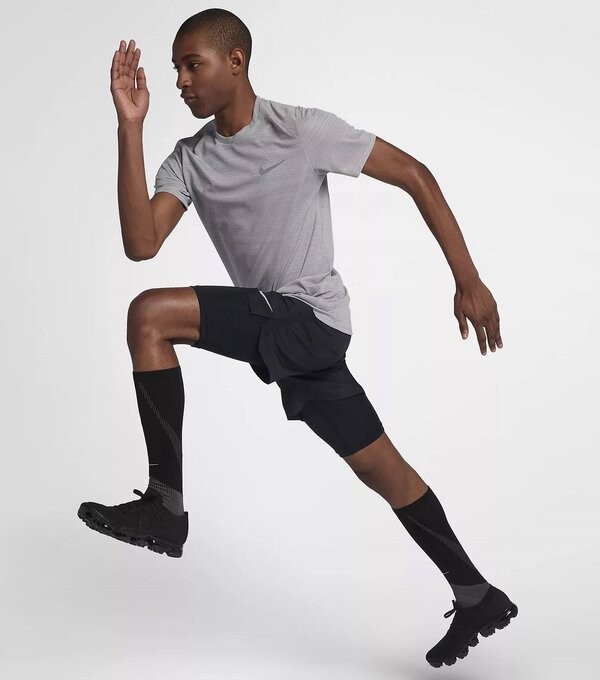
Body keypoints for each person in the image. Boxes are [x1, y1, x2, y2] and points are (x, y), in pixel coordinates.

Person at [77, 8, 518, 668]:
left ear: (235, 62)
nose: (180, 81)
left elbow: (414, 174)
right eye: (175, 69)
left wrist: (468, 279)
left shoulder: (301, 130)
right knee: (381, 469)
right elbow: (141, 243)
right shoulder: (190, 158)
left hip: (308, 319)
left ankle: (165, 506)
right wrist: (130, 127)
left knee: (149, 316)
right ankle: (477, 593)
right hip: (285, 332)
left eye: (192, 64)